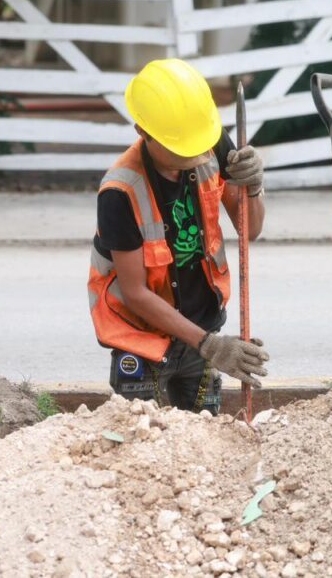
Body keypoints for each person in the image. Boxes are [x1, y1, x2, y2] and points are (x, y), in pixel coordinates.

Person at [87, 59, 269, 415]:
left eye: (200, 145)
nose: (195, 155)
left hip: (202, 331)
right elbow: (136, 294)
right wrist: (212, 346)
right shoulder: (120, 191)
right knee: (143, 441)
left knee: (203, 443)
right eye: (181, 148)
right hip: (142, 340)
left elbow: (252, 229)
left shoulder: (208, 140)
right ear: (144, 131)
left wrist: (254, 187)